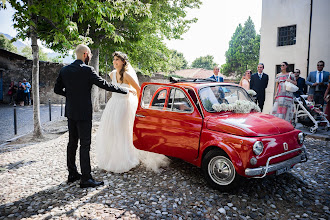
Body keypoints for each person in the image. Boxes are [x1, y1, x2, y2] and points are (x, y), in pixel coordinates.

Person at [54, 44, 134, 188]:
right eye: (89, 54)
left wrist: (70, 95)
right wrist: (124, 91)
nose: (90, 57)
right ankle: (86, 178)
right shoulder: (87, 70)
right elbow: (104, 84)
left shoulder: (64, 70)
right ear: (85, 54)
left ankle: (72, 174)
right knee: (85, 145)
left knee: (72, 143)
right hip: (84, 113)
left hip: (71, 112)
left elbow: (57, 89)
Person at [95, 51, 169, 173]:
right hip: (113, 104)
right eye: (114, 59)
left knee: (122, 130)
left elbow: (139, 90)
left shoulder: (127, 75)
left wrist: (135, 99)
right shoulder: (112, 74)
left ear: (123, 62)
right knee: (112, 131)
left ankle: (125, 159)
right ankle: (111, 159)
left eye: (117, 60)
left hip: (124, 105)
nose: (114, 62)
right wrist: (128, 90)